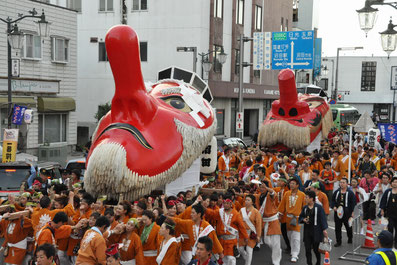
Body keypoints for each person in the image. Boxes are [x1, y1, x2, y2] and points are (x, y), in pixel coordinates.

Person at [204, 194, 249, 265]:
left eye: (227, 203)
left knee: (231, 258)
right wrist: (204, 208)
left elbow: (241, 226)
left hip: (231, 240)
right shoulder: (220, 212)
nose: (225, 205)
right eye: (224, 203)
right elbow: (211, 213)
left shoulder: (236, 214)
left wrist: (246, 237)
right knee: (223, 259)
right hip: (221, 240)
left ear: (231, 204)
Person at [278, 178, 306, 263]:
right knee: (289, 235)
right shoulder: (287, 194)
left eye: (293, 183)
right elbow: (282, 205)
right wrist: (280, 214)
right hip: (288, 218)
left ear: (297, 185)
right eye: (290, 183)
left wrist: (305, 216)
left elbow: (304, 207)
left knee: (296, 237)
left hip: (297, 218)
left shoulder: (302, 195)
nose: (291, 185)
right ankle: (293, 249)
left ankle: (295, 254)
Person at [298, 190, 328, 265]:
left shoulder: (319, 207)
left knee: (316, 249)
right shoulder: (305, 208)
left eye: (306, 197)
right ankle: (309, 263)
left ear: (312, 198)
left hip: (316, 231)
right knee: (307, 249)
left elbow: (323, 219)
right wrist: (303, 220)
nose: (305, 198)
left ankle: (318, 262)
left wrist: (324, 229)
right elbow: (300, 217)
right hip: (307, 231)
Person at [331, 178, 356, 247]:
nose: (341, 184)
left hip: (347, 212)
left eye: (343, 182)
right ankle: (338, 241)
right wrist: (334, 207)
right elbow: (332, 201)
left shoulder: (350, 193)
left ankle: (350, 237)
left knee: (348, 226)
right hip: (338, 212)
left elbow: (353, 203)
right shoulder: (337, 192)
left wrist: (353, 212)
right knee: (337, 227)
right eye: (341, 182)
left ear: (347, 184)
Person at [238, 194, 262, 265]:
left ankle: (248, 263)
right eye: (246, 200)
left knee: (249, 250)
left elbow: (258, 224)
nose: (246, 201)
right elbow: (238, 221)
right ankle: (247, 258)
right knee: (240, 249)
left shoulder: (256, 212)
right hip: (242, 233)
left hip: (251, 233)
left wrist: (258, 235)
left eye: (248, 200)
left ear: (252, 202)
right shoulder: (241, 210)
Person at [380, 176, 397, 248]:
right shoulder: (388, 191)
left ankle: (396, 243)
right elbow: (383, 201)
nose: (395, 183)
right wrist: (382, 210)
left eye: (396, 182)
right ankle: (389, 243)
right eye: (393, 182)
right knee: (390, 229)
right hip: (389, 214)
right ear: (391, 183)